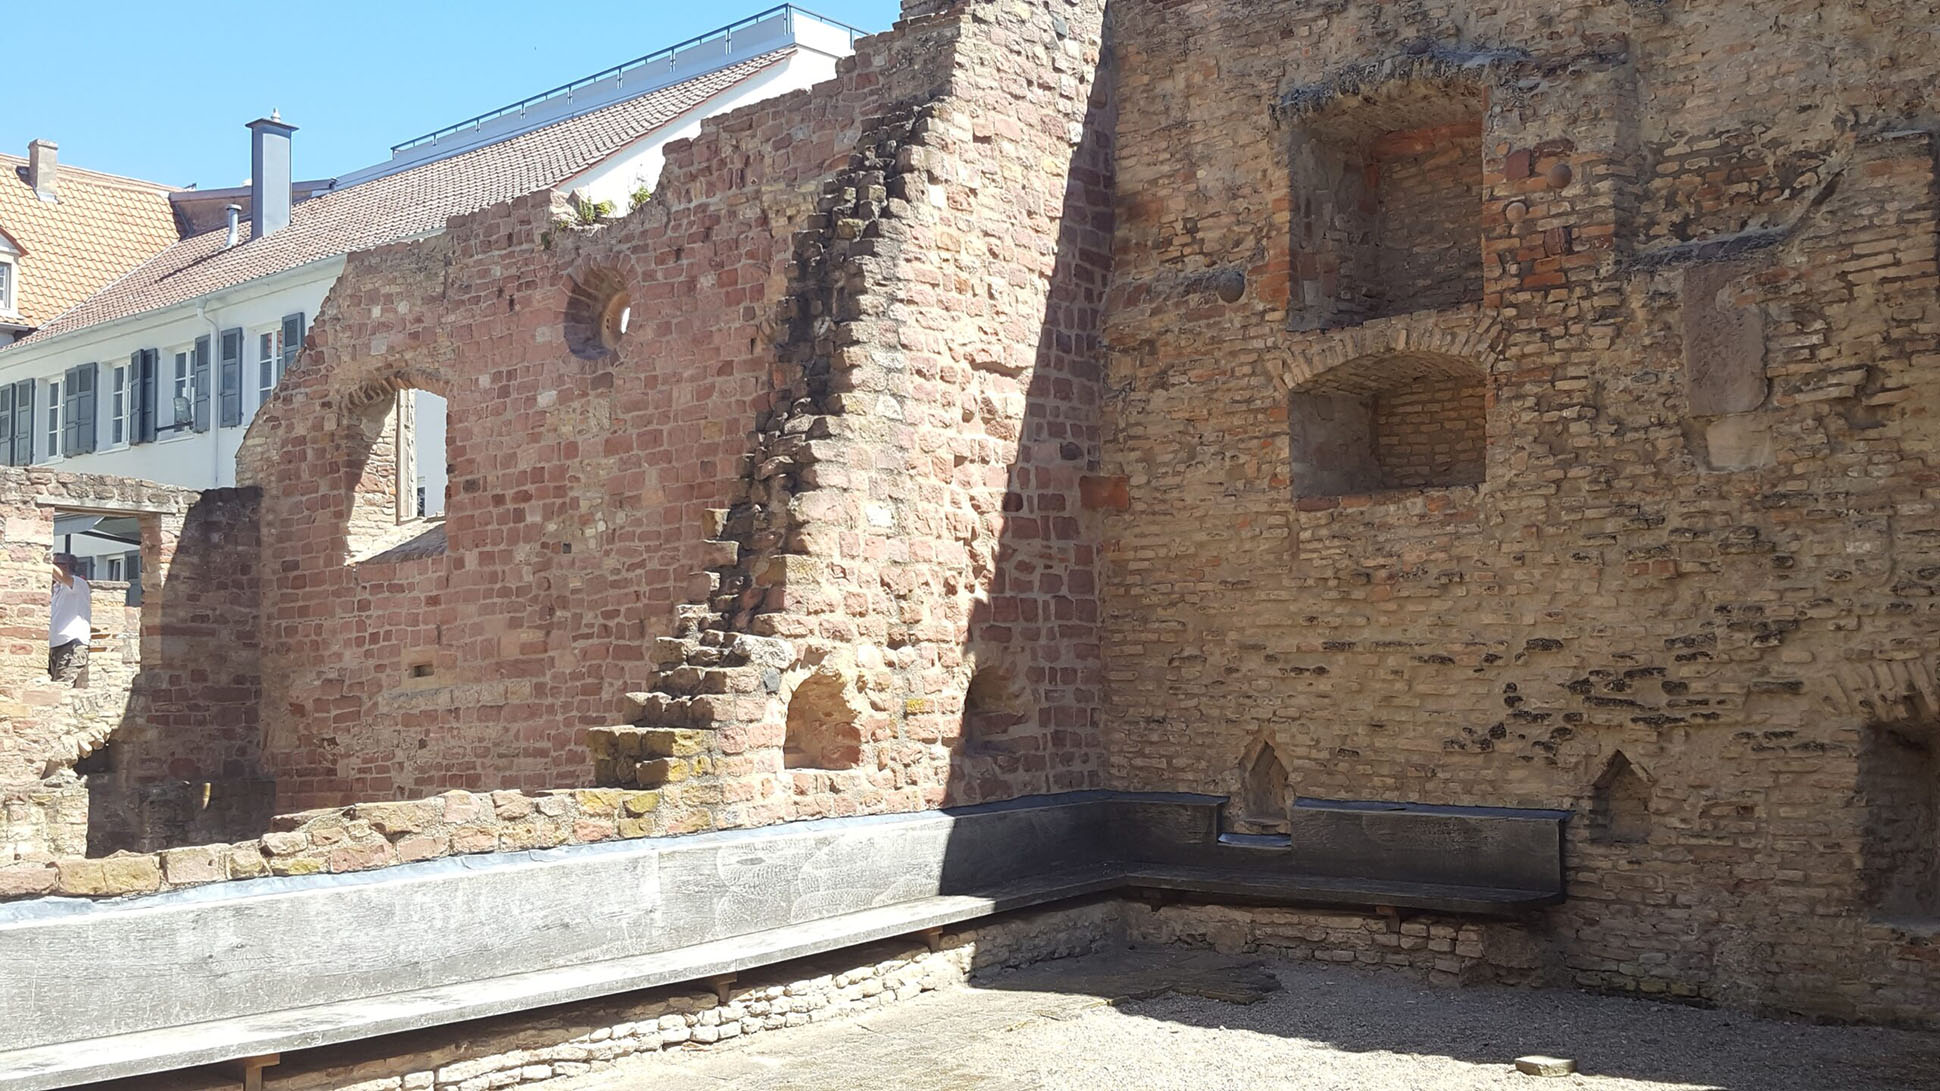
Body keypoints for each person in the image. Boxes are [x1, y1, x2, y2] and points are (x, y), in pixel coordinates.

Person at [49, 553, 91, 684]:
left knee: (62, 688)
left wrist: (45, 562)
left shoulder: (78, 583)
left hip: (71, 644)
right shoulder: (57, 589)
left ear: (65, 566)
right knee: (54, 689)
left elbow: (63, 577)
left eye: (56, 565)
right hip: (56, 646)